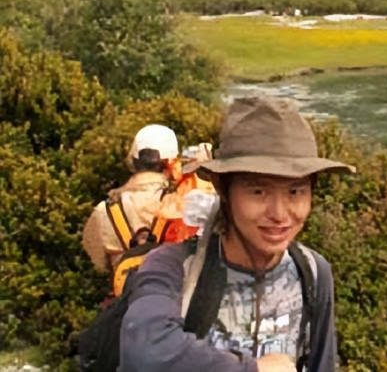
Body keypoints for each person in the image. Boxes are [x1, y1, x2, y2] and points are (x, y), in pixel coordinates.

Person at [118, 96, 355, 372]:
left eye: (295, 191)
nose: (280, 214)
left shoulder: (312, 272)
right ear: (222, 188)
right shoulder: (173, 267)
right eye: (258, 191)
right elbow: (144, 350)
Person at [82, 124, 215, 277]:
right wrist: (207, 176)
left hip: (128, 291)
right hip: (176, 290)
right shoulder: (186, 203)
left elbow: (97, 261)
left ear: (133, 161)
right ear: (172, 164)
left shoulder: (104, 212)